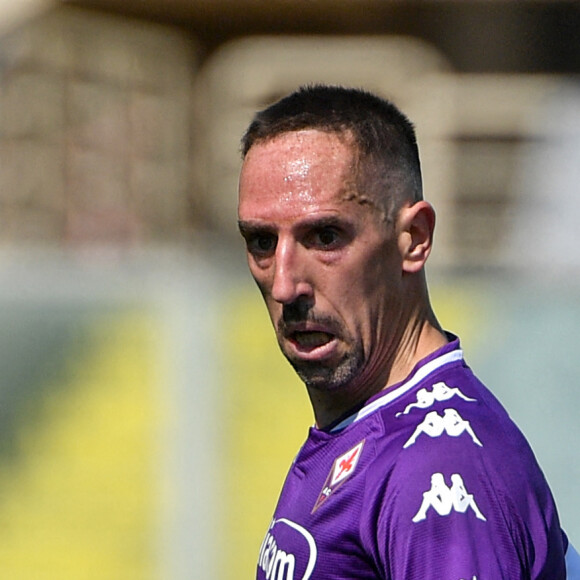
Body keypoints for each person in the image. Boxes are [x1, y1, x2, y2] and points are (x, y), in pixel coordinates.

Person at [237, 84, 573, 579]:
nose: (285, 284)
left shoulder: (438, 471)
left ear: (414, 239)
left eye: (325, 236)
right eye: (262, 241)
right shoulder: (368, 430)